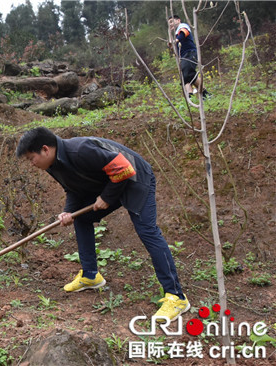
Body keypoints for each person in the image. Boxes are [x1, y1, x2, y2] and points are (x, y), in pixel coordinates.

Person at [16, 127, 190, 322]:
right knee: (81, 219)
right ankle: (91, 275)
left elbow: (124, 168)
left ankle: (176, 296)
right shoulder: (53, 165)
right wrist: (69, 212)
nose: (32, 164)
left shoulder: (80, 150)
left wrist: (107, 197)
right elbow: (72, 189)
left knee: (147, 231)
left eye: (32, 158)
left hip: (135, 178)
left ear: (45, 149)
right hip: (110, 181)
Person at [168, 14, 210, 99]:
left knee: (186, 75)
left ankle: (190, 96)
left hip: (190, 53)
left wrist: (176, 40)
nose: (171, 24)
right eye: (169, 23)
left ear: (178, 20)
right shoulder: (177, 34)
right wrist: (171, 44)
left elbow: (184, 33)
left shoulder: (183, 26)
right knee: (188, 75)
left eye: (172, 21)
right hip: (183, 56)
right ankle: (205, 94)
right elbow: (177, 47)